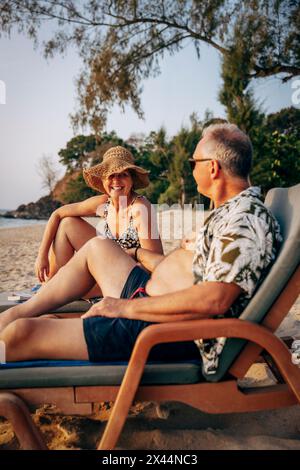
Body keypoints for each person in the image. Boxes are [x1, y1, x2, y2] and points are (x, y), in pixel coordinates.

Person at [0, 124, 282, 376]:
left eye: (193, 161)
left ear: (212, 168)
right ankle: (25, 309)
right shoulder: (230, 212)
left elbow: (215, 300)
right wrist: (137, 256)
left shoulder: (244, 220)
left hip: (168, 328)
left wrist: (125, 307)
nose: (191, 167)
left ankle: (20, 322)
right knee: (98, 246)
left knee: (19, 335)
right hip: (154, 299)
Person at [34, 145, 163, 297]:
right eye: (111, 175)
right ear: (103, 180)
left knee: (68, 288)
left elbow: (154, 263)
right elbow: (57, 214)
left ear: (132, 180)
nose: (116, 181)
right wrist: (41, 256)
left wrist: (108, 278)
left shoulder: (140, 208)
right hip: (105, 267)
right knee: (67, 224)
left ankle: (56, 288)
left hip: (129, 279)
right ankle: (53, 282)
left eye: (123, 175)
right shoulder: (104, 203)